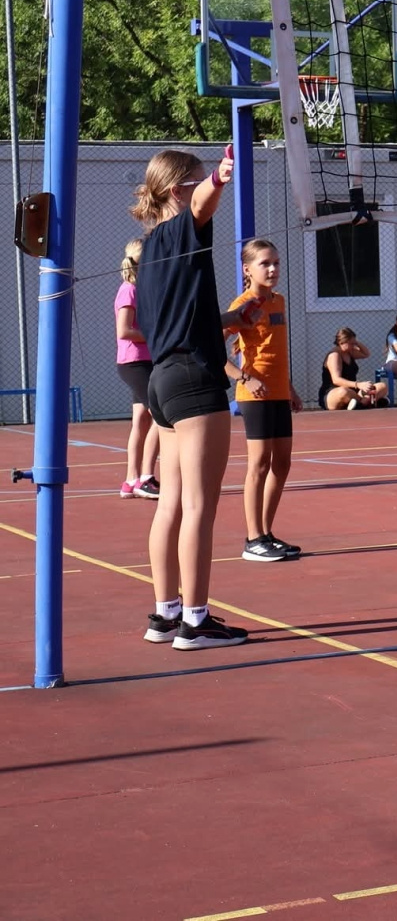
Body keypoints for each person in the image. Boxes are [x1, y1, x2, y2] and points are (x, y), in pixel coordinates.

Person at [130, 146, 255, 650]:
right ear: (177, 190)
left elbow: (177, 318)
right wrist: (220, 178)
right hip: (192, 380)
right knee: (199, 506)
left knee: (172, 505)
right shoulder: (180, 230)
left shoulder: (147, 253)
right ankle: (196, 621)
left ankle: (166, 614)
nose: (205, 188)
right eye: (197, 180)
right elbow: (202, 204)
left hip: (162, 379)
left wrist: (227, 320)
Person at [228, 239, 303, 562]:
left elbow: (275, 352)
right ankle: (252, 538)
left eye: (276, 263)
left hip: (278, 392)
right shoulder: (242, 305)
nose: (272, 269)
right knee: (259, 464)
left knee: (282, 463)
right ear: (247, 269)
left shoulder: (279, 301)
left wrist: (289, 388)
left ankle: (266, 534)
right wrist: (244, 377)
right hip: (254, 394)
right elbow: (212, 348)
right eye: (265, 264)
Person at [114, 238, 161, 500]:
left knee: (141, 420)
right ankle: (146, 477)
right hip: (135, 363)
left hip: (146, 360)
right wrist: (156, 336)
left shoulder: (145, 289)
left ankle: (130, 480)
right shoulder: (129, 290)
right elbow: (124, 330)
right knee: (162, 415)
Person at [320, 328, 388, 410]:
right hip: (333, 393)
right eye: (351, 343)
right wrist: (358, 385)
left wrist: (356, 342)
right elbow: (336, 380)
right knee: (343, 392)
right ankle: (370, 401)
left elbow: (366, 353)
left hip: (353, 393)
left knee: (382, 386)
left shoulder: (350, 352)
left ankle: (361, 404)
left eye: (354, 343)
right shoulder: (334, 355)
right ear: (342, 342)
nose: (354, 346)